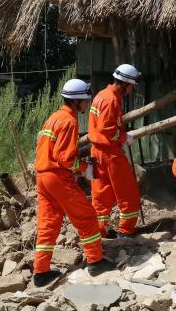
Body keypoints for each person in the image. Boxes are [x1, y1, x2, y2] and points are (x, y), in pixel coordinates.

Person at [33, 79, 115, 287]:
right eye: (86, 101)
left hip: (42, 178)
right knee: (86, 216)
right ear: (77, 101)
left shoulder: (54, 118)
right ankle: (95, 260)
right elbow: (64, 157)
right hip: (58, 177)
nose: (87, 105)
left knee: (48, 225)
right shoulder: (69, 121)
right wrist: (84, 169)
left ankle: (41, 272)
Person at [88, 64, 142, 238]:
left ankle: (99, 230)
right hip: (110, 153)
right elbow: (108, 128)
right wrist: (124, 137)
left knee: (101, 193)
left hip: (96, 152)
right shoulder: (112, 99)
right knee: (128, 192)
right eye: (133, 85)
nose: (133, 89)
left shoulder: (101, 95)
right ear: (125, 83)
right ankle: (127, 230)